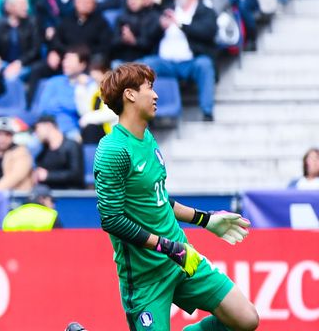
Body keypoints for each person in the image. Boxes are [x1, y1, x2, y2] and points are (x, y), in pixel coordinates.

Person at [94, 62, 259, 331]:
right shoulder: (113, 149)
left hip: (182, 258)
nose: (156, 95)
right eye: (149, 87)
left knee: (246, 319)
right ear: (130, 95)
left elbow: (158, 198)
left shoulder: (147, 138)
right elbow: (111, 219)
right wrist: (167, 247)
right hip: (145, 276)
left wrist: (206, 220)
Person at [140, 0, 218, 121]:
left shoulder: (205, 10)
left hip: (191, 61)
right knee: (144, 66)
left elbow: (208, 32)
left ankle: (207, 111)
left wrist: (180, 25)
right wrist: (159, 26)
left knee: (205, 65)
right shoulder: (167, 9)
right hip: (166, 62)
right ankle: (145, 115)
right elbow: (147, 36)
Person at [33, 115, 84, 189]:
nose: (36, 133)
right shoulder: (43, 151)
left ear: (48, 126)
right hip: (49, 194)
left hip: (70, 194)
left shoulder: (71, 146)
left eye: (37, 128)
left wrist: (48, 176)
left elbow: (76, 174)